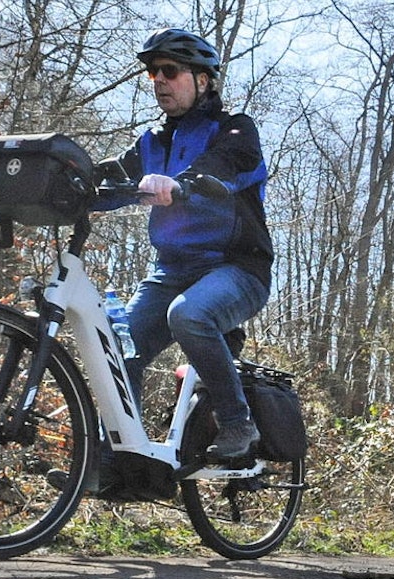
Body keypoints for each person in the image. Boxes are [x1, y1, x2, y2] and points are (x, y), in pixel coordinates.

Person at [96, 28, 274, 461]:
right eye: (153, 72)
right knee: (119, 348)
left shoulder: (234, 131)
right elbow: (109, 181)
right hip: (170, 271)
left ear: (203, 79)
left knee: (188, 314)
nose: (159, 80)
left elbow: (226, 166)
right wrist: (54, 191)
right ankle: (124, 462)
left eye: (170, 71)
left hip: (236, 269)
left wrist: (182, 183)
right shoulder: (152, 142)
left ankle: (238, 423)